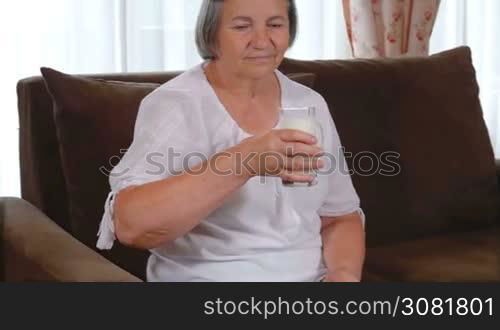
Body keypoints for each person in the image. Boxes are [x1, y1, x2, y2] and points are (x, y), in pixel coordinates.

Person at [96, 0, 365, 282]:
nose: (262, 41)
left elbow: (340, 216)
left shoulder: (309, 104)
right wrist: (244, 161)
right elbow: (131, 225)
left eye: (275, 25)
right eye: (241, 26)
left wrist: (343, 275)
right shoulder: (176, 104)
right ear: (212, 35)